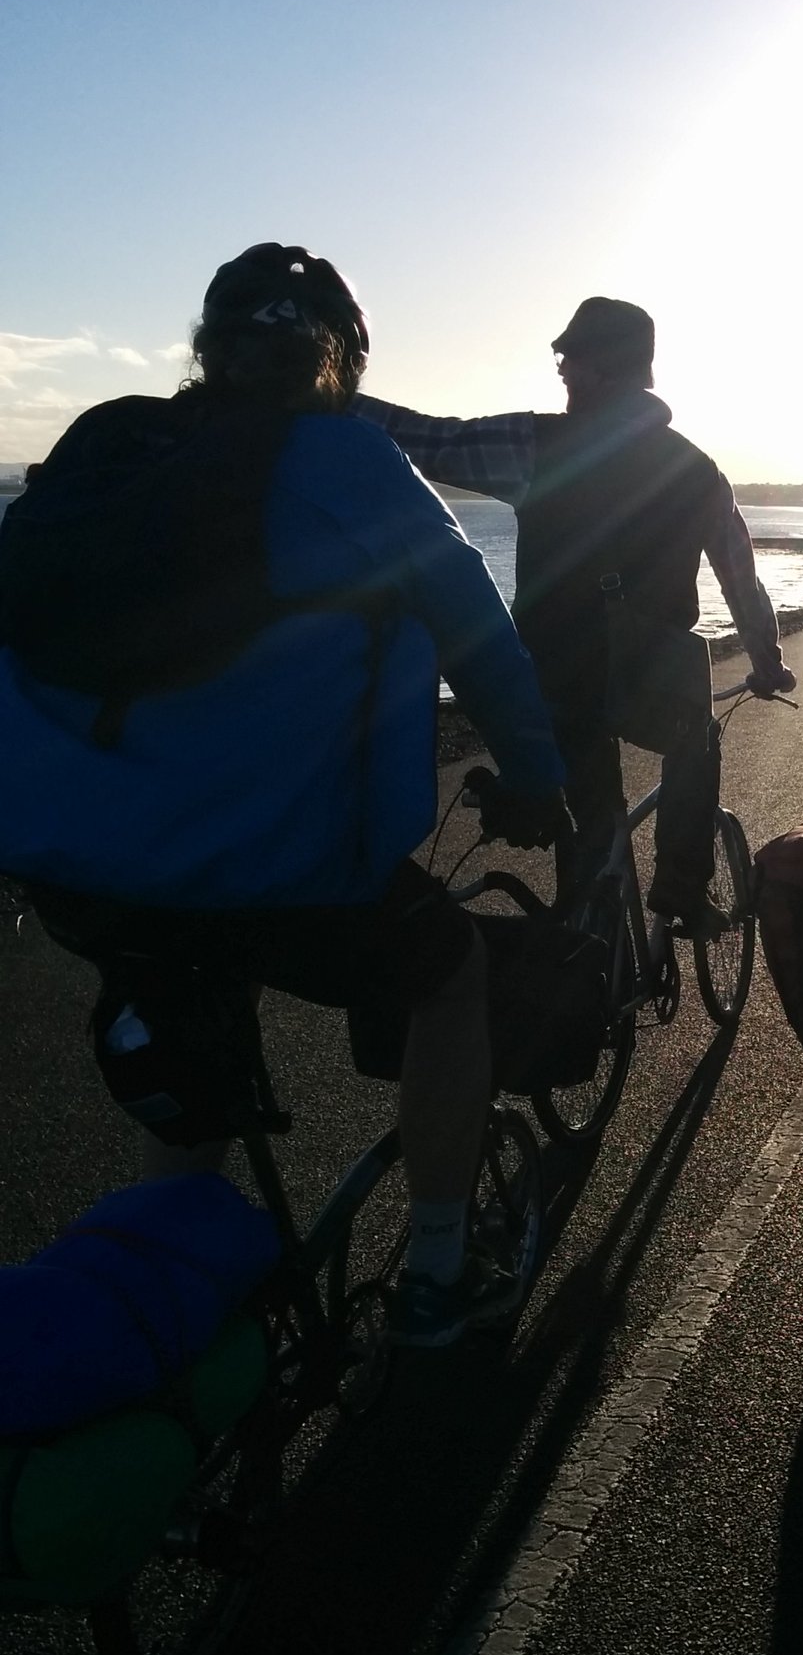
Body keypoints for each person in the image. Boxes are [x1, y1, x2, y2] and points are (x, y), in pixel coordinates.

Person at [0, 243, 567, 1350]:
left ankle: (165, 1327)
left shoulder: (110, 447)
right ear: (342, 361)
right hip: (284, 871)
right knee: (448, 974)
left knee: (190, 1037)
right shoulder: (349, 460)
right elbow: (483, 645)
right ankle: (440, 1274)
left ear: (208, 349)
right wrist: (539, 782)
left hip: (80, 866)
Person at [351, 297, 794, 931]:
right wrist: (767, 661)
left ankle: (590, 948)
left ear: (605, 366)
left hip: (552, 672)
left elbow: (429, 439)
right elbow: (742, 584)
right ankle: (681, 890)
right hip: (650, 675)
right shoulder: (701, 473)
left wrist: (334, 396)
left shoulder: (534, 443)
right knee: (696, 740)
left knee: (591, 812)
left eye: (572, 357)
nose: (562, 369)